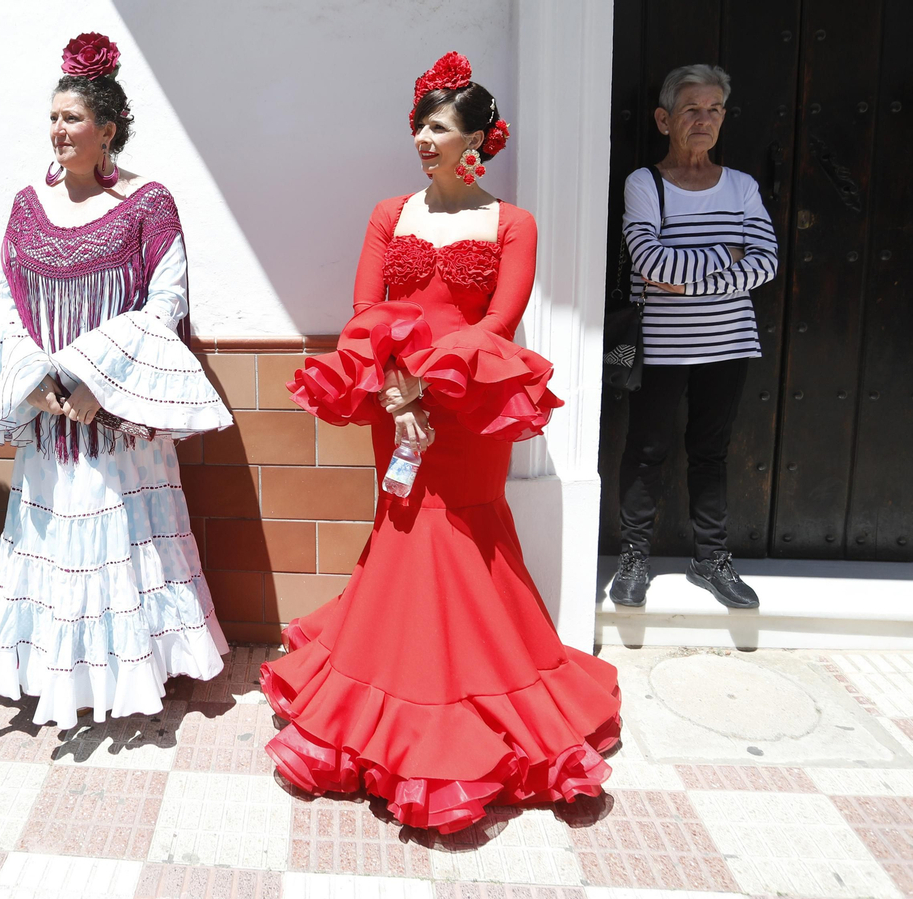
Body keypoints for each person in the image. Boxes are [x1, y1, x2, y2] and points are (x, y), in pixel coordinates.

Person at [261, 52, 621, 834]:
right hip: (396, 399)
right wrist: (395, 386)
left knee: (468, 533)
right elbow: (365, 306)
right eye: (418, 124)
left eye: (437, 126)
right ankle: (389, 705)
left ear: (478, 141)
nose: (421, 138)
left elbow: (499, 320)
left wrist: (427, 384)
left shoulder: (513, 223)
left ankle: (478, 707)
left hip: (469, 404)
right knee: (402, 531)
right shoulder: (390, 212)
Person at [0, 32, 233, 727]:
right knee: (52, 545)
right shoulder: (27, 206)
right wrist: (32, 378)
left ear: (107, 129)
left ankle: (135, 674)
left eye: (72, 118)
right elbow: (5, 299)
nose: (58, 129)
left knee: (124, 540)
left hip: (119, 420)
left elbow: (165, 301)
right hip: (50, 420)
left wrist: (97, 380)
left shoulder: (149, 204)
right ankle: (58, 674)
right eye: (52, 117)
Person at [609, 64, 778, 609]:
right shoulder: (645, 184)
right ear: (664, 119)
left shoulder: (743, 186)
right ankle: (634, 556)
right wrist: (726, 257)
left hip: (729, 344)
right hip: (661, 345)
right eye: (691, 109)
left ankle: (712, 560)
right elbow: (650, 261)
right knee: (647, 449)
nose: (704, 120)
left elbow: (767, 264)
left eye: (714, 110)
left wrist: (685, 282)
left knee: (711, 452)